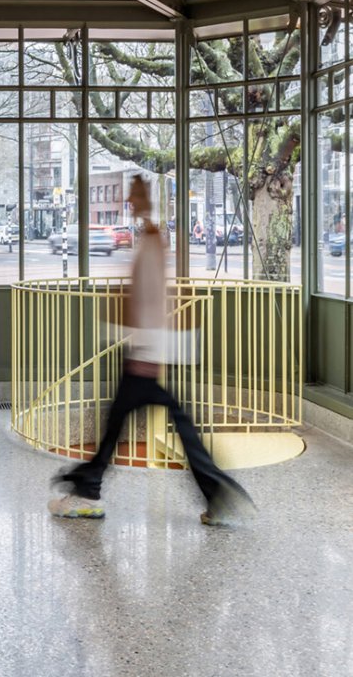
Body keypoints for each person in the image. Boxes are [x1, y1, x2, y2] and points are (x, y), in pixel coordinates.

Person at [48, 175, 255, 526]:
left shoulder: (154, 238)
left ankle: (88, 491)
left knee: (131, 424)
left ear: (146, 199)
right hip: (145, 350)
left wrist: (146, 352)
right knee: (136, 422)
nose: (129, 200)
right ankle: (214, 493)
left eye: (135, 195)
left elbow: (154, 298)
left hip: (145, 353)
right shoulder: (149, 236)